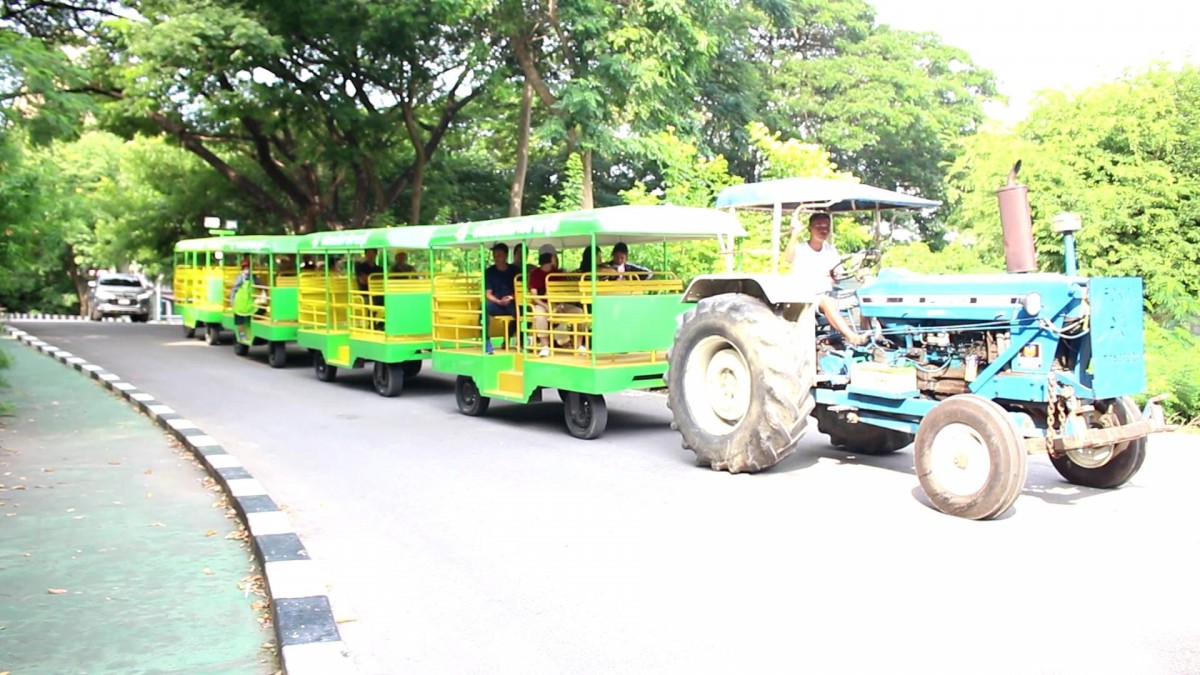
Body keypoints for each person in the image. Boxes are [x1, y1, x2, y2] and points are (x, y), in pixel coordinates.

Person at [784, 212, 868, 346]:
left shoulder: (831, 250)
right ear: (810, 229)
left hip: (830, 292)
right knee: (828, 302)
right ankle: (852, 337)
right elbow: (788, 257)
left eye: (826, 227)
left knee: (866, 294)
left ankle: (867, 333)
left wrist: (837, 277)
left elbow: (838, 276)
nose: (823, 230)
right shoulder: (800, 248)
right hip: (807, 297)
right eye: (818, 226)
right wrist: (795, 234)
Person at [527, 244, 584, 356]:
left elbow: (563, 293)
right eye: (554, 256)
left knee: (579, 312)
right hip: (542, 304)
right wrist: (547, 306)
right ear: (550, 258)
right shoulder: (535, 274)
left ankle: (578, 345)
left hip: (558, 304)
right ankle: (545, 346)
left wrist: (560, 305)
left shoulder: (558, 273)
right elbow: (534, 296)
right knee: (539, 314)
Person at [484, 242, 519, 345]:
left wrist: (510, 298)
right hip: (497, 303)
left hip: (512, 303)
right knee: (484, 308)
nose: (496, 258)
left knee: (525, 311)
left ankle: (518, 340)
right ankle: (486, 341)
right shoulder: (489, 272)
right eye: (495, 256)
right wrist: (499, 301)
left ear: (506, 255)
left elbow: (519, 290)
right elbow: (488, 294)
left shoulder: (515, 270)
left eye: (499, 255)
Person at [229, 257, 261, 343]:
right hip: (240, 303)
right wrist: (231, 300)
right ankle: (242, 334)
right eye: (245, 268)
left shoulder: (252, 277)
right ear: (243, 269)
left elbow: (260, 284)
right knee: (240, 320)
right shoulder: (240, 278)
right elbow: (234, 289)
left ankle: (251, 332)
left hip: (249, 302)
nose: (247, 270)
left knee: (256, 313)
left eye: (248, 268)